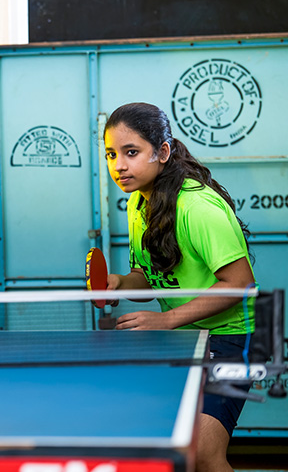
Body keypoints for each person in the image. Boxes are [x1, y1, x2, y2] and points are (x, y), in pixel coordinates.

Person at [103, 102, 255, 472]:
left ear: (163, 152)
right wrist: (120, 283)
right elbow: (150, 280)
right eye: (110, 154)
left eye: (131, 152)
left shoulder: (197, 206)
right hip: (185, 339)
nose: (119, 165)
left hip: (231, 337)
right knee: (170, 448)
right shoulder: (138, 204)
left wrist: (166, 320)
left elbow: (241, 284)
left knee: (204, 454)